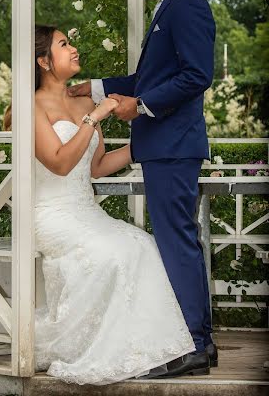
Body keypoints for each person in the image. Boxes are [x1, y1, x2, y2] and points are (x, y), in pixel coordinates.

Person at [69, 0, 217, 379]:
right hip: (163, 147)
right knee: (176, 241)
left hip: (172, 146)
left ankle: (195, 344)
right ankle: (198, 342)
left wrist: (143, 106)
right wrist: (92, 88)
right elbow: (144, 80)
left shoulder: (187, 5)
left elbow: (196, 76)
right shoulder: (170, 6)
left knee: (178, 244)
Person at [34, 24, 195, 385]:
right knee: (115, 253)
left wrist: (144, 149)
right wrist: (95, 118)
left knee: (142, 244)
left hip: (86, 211)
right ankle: (96, 347)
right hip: (51, 214)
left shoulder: (84, 102)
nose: (73, 49)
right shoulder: (29, 108)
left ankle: (147, 350)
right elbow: (59, 163)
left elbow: (96, 167)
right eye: (63, 45)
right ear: (44, 61)